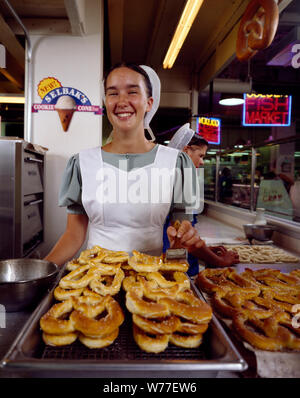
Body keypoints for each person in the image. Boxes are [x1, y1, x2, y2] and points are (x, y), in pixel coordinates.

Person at [44, 63, 204, 266]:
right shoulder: (82, 164)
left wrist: (178, 249)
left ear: (149, 103)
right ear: (105, 102)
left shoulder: (176, 163)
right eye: (113, 93)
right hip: (95, 282)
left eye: (132, 92)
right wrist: (40, 271)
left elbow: (180, 241)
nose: (122, 101)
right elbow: (73, 236)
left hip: (149, 284)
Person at [167, 127, 239, 274]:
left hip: (168, 256)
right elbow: (182, 239)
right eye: (201, 156)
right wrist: (220, 261)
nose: (202, 162)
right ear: (186, 151)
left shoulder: (168, 174)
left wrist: (205, 249)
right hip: (175, 261)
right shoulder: (182, 176)